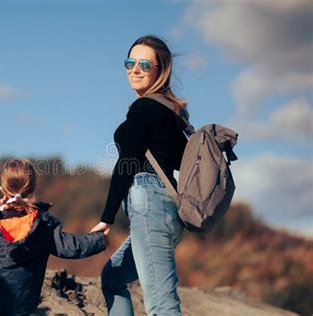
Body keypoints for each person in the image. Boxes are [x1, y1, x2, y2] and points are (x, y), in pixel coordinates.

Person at [90, 35, 188, 316]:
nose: (134, 69)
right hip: (170, 207)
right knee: (113, 278)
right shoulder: (173, 112)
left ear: (161, 70)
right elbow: (180, 160)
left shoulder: (145, 108)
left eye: (144, 64)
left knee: (162, 305)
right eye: (130, 62)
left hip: (150, 205)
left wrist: (107, 217)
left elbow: (127, 161)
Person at [0, 158, 108, 316]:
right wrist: (99, 239)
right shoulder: (41, 227)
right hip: (24, 305)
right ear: (33, 188)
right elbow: (71, 247)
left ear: (2, 190)